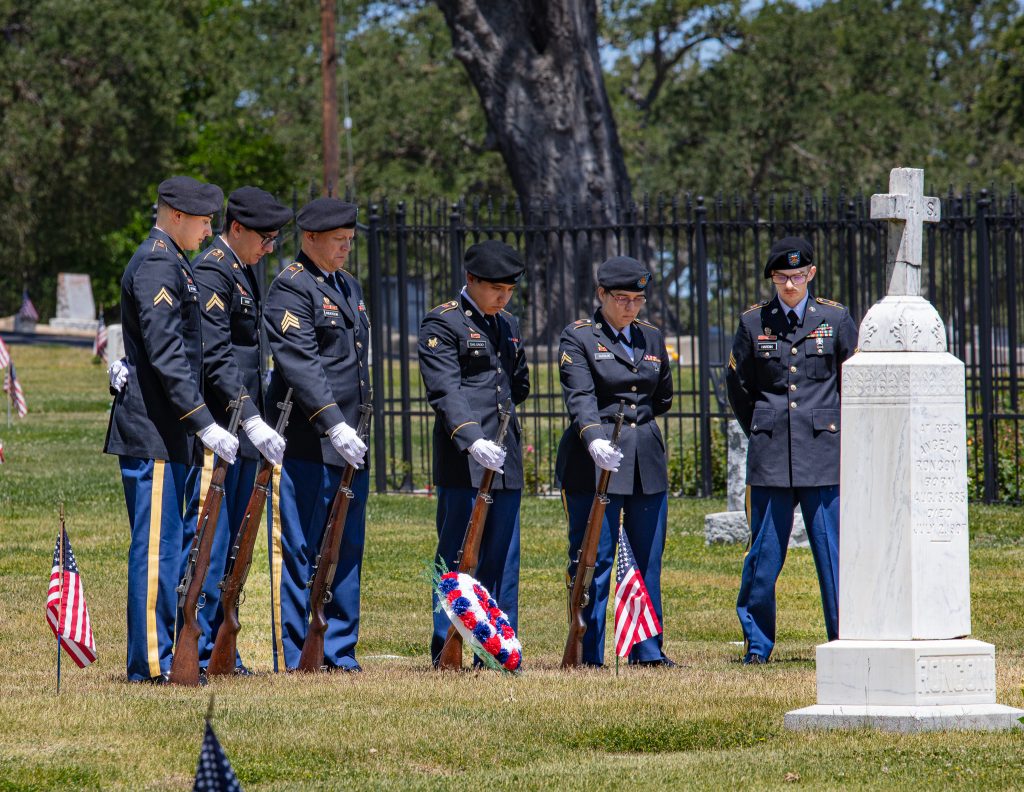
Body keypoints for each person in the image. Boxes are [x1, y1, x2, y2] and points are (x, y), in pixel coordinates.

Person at [104, 176, 239, 683]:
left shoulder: (172, 260)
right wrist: (204, 422)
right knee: (157, 551)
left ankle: (163, 652)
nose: (208, 231)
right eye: (204, 221)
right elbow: (166, 356)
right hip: (156, 429)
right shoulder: (160, 261)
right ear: (176, 215)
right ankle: (150, 661)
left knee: (173, 547)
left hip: (169, 429)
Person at [726, 236, 858, 664]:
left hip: (823, 454)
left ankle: (843, 638)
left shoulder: (836, 319)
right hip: (771, 456)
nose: (789, 285)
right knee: (763, 556)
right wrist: (763, 428)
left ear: (811, 275)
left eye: (797, 276)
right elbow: (740, 387)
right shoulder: (753, 324)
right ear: (772, 279)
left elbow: (851, 381)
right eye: (782, 277)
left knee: (832, 553)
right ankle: (758, 645)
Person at [186, 186, 292, 677]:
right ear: (237, 230)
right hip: (225, 424)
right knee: (214, 538)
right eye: (265, 237)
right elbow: (217, 356)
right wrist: (248, 414)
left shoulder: (242, 269)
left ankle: (223, 645)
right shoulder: (214, 270)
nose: (270, 247)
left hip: (245, 423)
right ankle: (201, 646)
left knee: (236, 543)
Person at [262, 197, 369, 672]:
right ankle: (296, 649)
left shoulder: (346, 285)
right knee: (302, 548)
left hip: (349, 441)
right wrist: (333, 421)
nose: (347, 248)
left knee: (346, 547)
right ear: (310, 240)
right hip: (310, 439)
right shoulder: (291, 288)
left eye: (350, 240)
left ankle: (339, 649)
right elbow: (300, 363)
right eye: (338, 241)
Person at [556, 255, 675, 668]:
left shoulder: (652, 338)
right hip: (596, 460)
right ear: (601, 295)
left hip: (644, 460)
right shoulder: (579, 338)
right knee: (594, 558)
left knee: (646, 558)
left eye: (638, 299)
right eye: (621, 298)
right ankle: (588, 651)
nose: (630, 307)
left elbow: (662, 397)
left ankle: (648, 650)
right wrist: (593, 437)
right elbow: (580, 396)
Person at [418, 240, 530, 667]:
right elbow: (444, 388)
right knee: (457, 555)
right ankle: (446, 645)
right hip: (465, 455)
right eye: (495, 289)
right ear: (470, 281)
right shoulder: (443, 323)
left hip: (504, 452)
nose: (503, 297)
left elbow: (516, 385)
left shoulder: (508, 324)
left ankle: (499, 647)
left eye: (509, 290)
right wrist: (471, 435)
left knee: (502, 556)